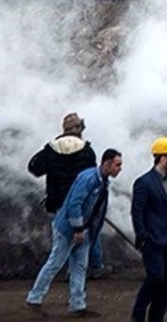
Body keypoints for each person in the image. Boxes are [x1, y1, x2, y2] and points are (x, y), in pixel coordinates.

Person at [26, 149, 123, 318]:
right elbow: (74, 204)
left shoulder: (101, 180)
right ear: (107, 163)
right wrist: (78, 229)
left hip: (83, 230)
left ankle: (78, 305)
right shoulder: (89, 179)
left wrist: (84, 230)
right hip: (68, 229)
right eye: (117, 165)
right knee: (55, 264)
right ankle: (34, 299)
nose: (120, 169)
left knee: (79, 267)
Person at [28, 112, 110, 279]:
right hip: (82, 201)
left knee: (64, 234)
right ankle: (94, 267)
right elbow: (92, 176)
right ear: (78, 129)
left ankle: (71, 268)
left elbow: (34, 168)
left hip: (58, 200)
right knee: (89, 231)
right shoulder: (86, 151)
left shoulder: (51, 150)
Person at [130, 137, 167, 322]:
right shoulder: (143, 183)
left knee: (166, 283)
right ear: (163, 158)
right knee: (155, 278)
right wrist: (142, 235)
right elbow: (137, 211)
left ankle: (156, 319)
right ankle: (138, 314)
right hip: (153, 241)